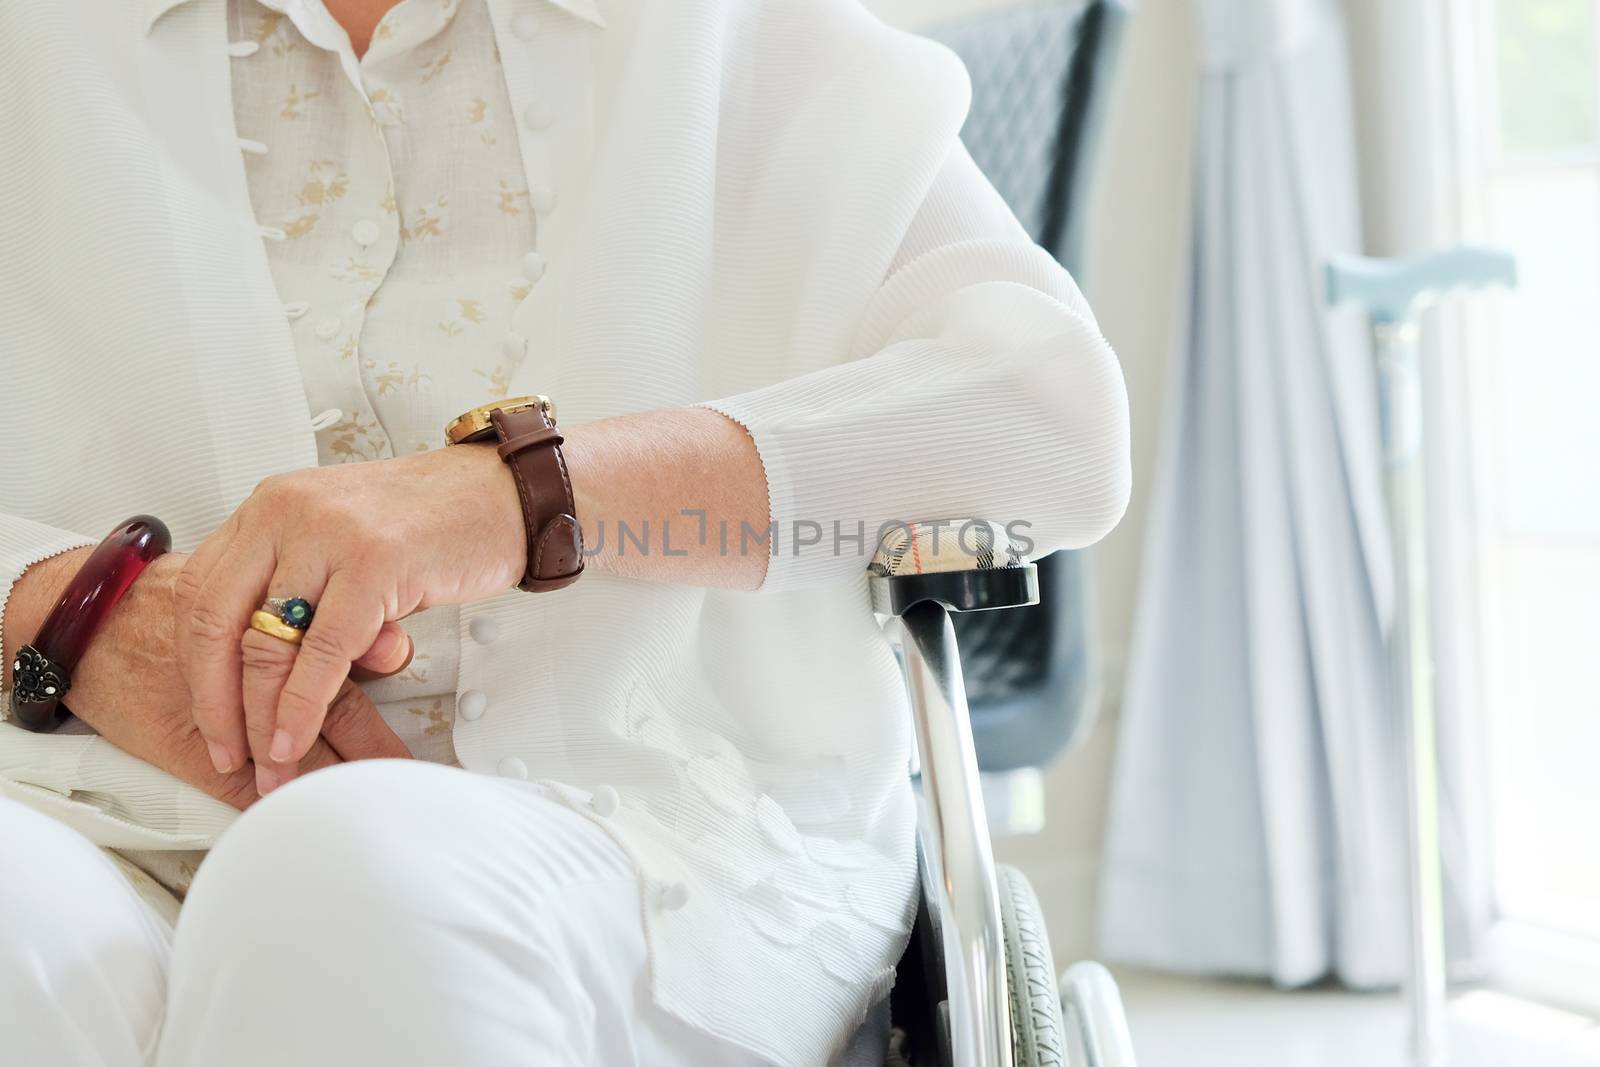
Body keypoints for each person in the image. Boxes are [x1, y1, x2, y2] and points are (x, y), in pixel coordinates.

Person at [0, 0, 1132, 1063]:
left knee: (351, 879)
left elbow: (1047, 427)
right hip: (81, 801)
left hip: (640, 836)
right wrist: (52, 606)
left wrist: (523, 497)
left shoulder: (731, 34)